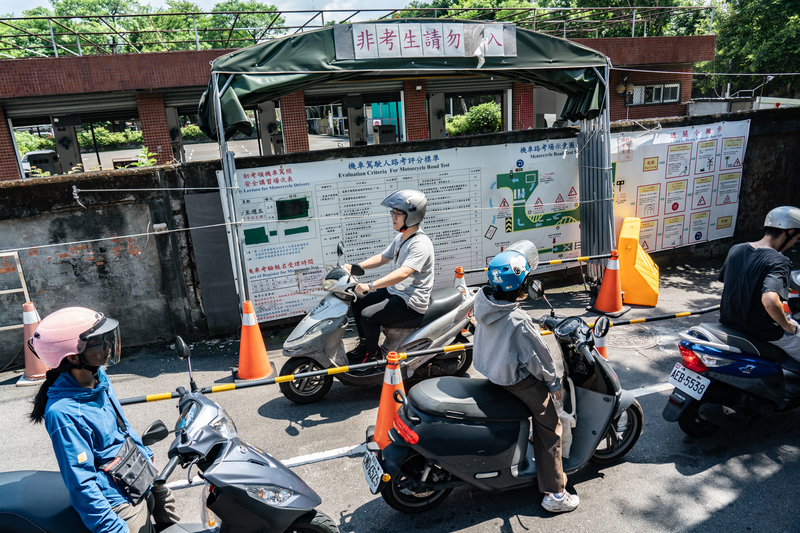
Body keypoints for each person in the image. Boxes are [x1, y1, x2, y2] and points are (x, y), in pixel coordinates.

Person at [28, 307, 180, 533]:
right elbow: (81, 483)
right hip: (118, 498)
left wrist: (146, 458)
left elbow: (122, 425)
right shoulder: (63, 413)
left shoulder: (98, 377)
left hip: (137, 472)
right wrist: (113, 528)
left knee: (173, 520)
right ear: (73, 356)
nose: (107, 345)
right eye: (97, 341)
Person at [472, 243, 579, 513]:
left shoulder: (483, 300)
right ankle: (555, 493)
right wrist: (554, 384)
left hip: (491, 370)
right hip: (514, 380)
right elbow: (539, 359)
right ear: (521, 286)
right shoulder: (518, 321)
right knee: (549, 424)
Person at [345, 189, 435, 364]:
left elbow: (404, 273)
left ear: (412, 215)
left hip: (411, 300)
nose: (393, 217)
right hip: (398, 291)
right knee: (357, 299)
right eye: (392, 213)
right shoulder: (402, 237)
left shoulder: (420, 244)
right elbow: (383, 257)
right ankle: (365, 345)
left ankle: (374, 358)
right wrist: (354, 267)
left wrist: (371, 285)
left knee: (368, 316)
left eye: (398, 214)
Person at [719, 205, 800, 361]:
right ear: (789, 233)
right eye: (797, 238)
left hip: (729, 322)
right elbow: (769, 301)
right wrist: (786, 325)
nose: (795, 242)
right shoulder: (779, 261)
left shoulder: (736, 249)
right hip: (760, 330)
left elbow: (733, 285)